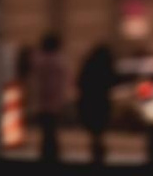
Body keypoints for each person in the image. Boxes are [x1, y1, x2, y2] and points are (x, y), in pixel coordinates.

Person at [75, 40, 120, 165]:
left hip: (89, 100)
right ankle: (98, 149)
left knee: (93, 128)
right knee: (99, 128)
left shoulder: (89, 65)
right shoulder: (107, 66)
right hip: (102, 101)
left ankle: (96, 147)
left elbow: (80, 81)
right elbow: (113, 81)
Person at [28, 32, 68, 162]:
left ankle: (47, 154)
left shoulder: (39, 60)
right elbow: (63, 82)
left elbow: (34, 81)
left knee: (46, 132)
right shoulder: (60, 61)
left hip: (43, 101)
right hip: (55, 102)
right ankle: (53, 154)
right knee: (52, 131)